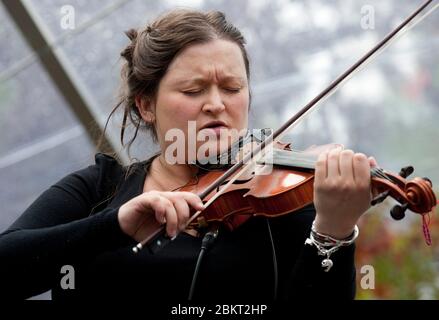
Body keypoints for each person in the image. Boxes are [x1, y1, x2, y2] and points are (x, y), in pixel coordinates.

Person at [0, 9, 377, 301]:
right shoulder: (100, 188)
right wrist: (112, 226)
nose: (216, 104)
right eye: (193, 90)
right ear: (146, 105)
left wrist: (332, 233)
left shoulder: (283, 200)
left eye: (232, 88)